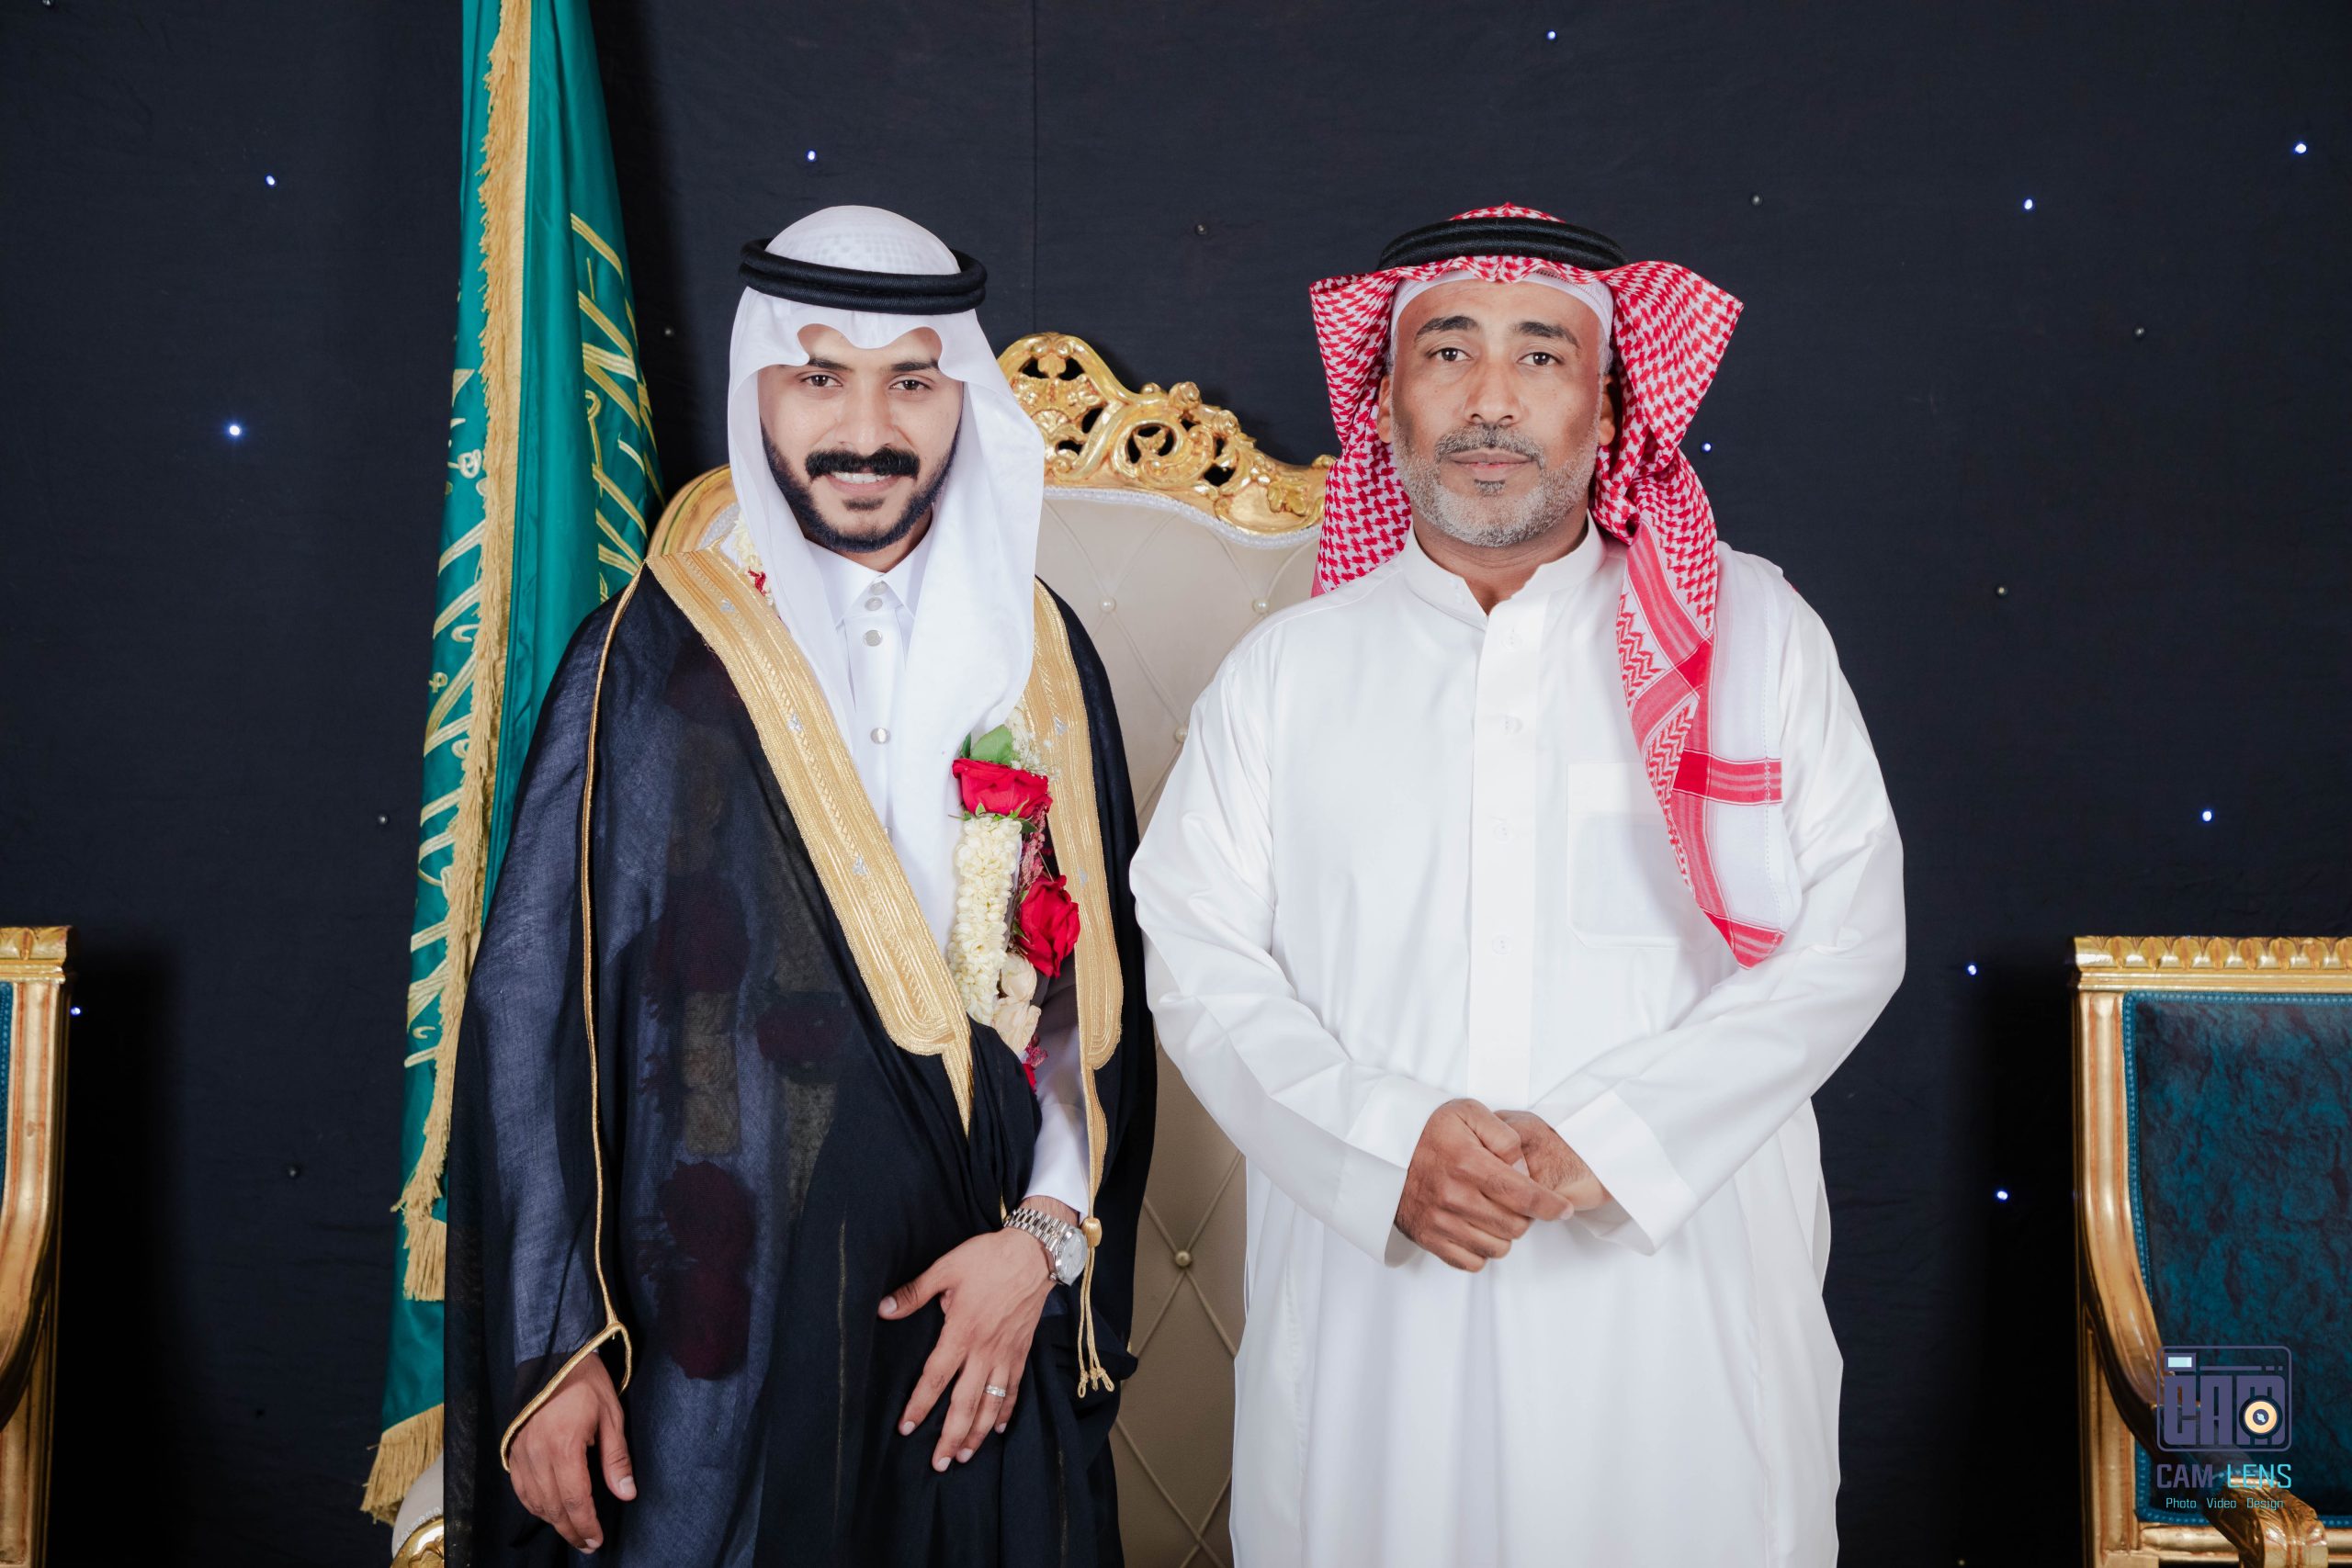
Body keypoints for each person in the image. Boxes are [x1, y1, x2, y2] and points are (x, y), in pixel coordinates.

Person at [1129, 204, 1905, 1566]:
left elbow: (1850, 937)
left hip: (1677, 1308)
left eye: (1542, 355)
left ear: (1609, 406)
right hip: (1381, 1321)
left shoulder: (1753, 637)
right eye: (1448, 353)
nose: (1492, 400)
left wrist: (1618, 1137)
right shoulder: (1287, 676)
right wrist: (1387, 1149)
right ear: (1383, 406)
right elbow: (1196, 960)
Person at [445, 205, 1154, 1567]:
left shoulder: (1043, 655)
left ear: (964, 397)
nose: (866, 429)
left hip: (984, 1297)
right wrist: (556, 1342)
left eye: (913, 383)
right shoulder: (650, 653)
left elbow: (1093, 1004)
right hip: (720, 1316)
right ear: (758, 386)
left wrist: (1046, 1243)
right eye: (820, 376)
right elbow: (534, 998)